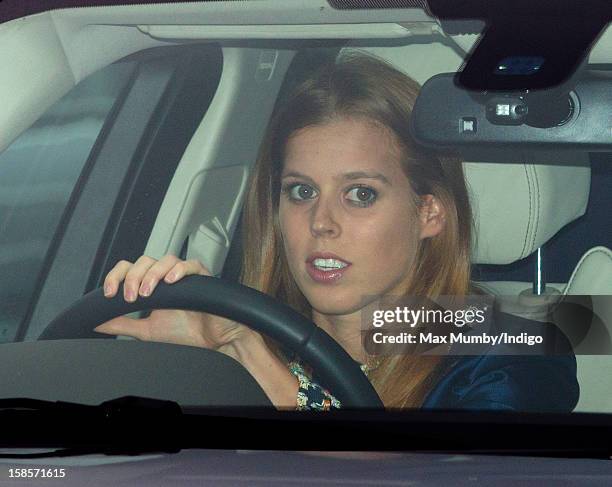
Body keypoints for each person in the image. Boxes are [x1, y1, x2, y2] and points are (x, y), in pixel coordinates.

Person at [95, 52, 579, 412]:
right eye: (301, 192)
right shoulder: (237, 335)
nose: (321, 222)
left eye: (360, 194)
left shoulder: (514, 358)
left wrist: (251, 355)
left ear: (429, 213)